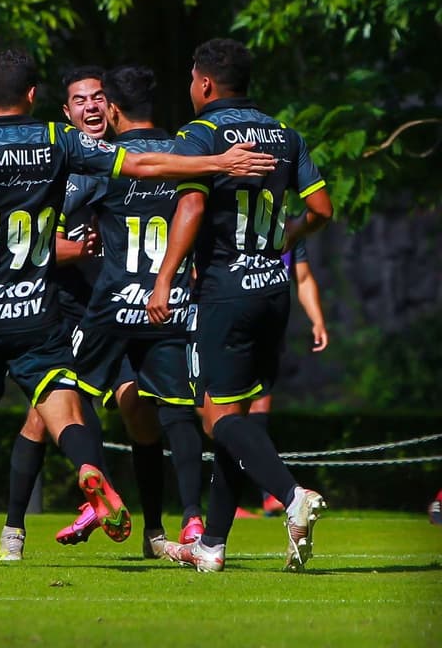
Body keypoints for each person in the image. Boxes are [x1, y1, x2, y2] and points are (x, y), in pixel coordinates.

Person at [0, 47, 275, 566]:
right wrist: (217, 161)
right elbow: (143, 161)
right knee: (64, 415)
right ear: (37, 96)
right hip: (40, 313)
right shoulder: (59, 141)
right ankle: (92, 472)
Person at [148, 37, 333, 573]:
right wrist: (289, 233)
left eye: (191, 78)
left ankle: (292, 496)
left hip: (224, 290)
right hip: (273, 290)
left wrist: (164, 281)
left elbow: (189, 204)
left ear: (204, 83)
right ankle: (212, 546)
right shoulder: (284, 134)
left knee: (215, 419)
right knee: (237, 413)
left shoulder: (202, 134)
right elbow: (321, 207)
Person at [56, 65, 208, 559]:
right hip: (168, 304)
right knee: (174, 412)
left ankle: (96, 493)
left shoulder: (107, 161)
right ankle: (187, 521)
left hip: (113, 303)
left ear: (114, 110)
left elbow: (59, 208)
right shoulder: (185, 152)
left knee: (66, 393)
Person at [0, 66, 110, 561]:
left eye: (99, 97)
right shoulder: (55, 162)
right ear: (66, 113)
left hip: (106, 305)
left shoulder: (124, 161)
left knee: (54, 415)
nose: (91, 106)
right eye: (79, 100)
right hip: (55, 308)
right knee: (48, 416)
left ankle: (16, 530)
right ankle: (89, 503)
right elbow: (32, 242)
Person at [253, 235, 328, 516]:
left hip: (267, 338)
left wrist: (317, 319)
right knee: (217, 416)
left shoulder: (291, 230)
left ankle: (268, 493)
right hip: (229, 329)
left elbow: (304, 278)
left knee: (257, 413)